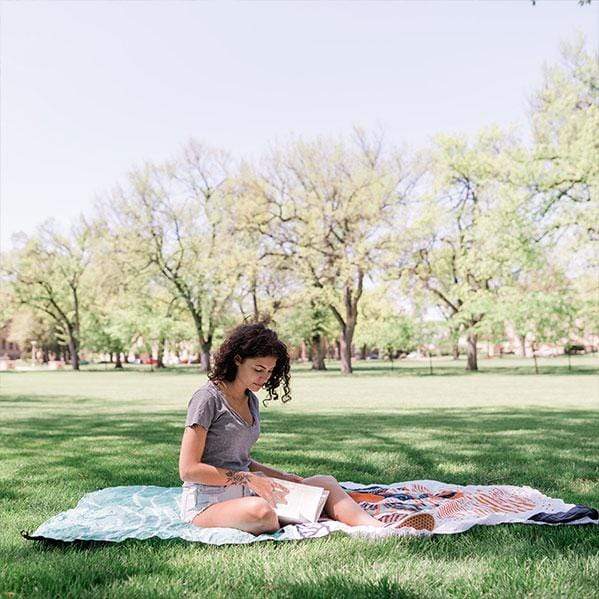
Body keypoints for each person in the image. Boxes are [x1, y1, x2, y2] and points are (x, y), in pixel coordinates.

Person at [179, 322, 435, 535]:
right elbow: (188, 469)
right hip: (207, 501)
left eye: (269, 371)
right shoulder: (207, 398)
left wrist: (282, 476)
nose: (264, 378)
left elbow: (240, 460)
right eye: (258, 369)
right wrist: (249, 479)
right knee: (262, 512)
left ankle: (381, 530)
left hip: (249, 490)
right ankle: (311, 513)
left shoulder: (250, 400)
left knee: (325, 483)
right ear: (237, 360)